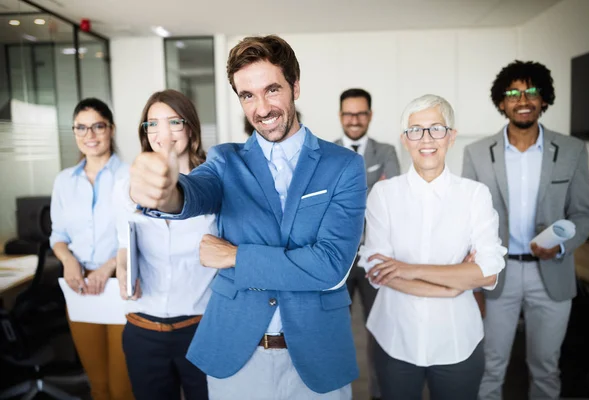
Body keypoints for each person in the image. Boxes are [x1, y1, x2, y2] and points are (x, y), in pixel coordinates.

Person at [128, 35, 367, 399]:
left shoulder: (344, 166)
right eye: (248, 95)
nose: (263, 108)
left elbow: (331, 265)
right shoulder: (226, 161)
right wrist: (165, 193)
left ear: (295, 87)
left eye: (272, 90)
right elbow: (192, 194)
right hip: (236, 353)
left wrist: (235, 256)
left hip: (318, 352)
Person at [462, 60, 589, 400]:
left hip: (551, 273)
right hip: (497, 274)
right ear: (501, 102)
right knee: (490, 366)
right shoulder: (476, 153)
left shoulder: (571, 150)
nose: (523, 99)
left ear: (544, 99)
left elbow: (584, 214)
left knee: (546, 367)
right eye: (513, 93)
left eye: (531, 91)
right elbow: (466, 218)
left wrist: (562, 247)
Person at [360, 94, 506, 400]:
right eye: (416, 130)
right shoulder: (383, 195)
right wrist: (453, 285)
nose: (426, 138)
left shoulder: (475, 195)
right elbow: (377, 270)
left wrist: (407, 269)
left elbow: (489, 273)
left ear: (451, 137)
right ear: (405, 140)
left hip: (458, 342)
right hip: (395, 339)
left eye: (436, 128)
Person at [114, 90, 215, 400]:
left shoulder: (213, 185)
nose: (162, 133)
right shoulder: (127, 187)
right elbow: (124, 246)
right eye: (152, 124)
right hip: (143, 330)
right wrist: (122, 272)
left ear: (191, 130)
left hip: (201, 330)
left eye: (173, 122)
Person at [49, 98, 134, 400]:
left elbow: (136, 235)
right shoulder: (63, 182)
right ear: (74, 132)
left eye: (98, 126)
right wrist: (67, 259)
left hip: (119, 286)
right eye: (81, 128)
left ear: (110, 129)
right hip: (80, 287)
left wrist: (107, 268)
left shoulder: (130, 176)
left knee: (123, 388)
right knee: (98, 387)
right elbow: (57, 235)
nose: (90, 135)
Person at [334, 87, 400, 400]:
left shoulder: (386, 152)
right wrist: (375, 191)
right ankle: (336, 392)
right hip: (336, 260)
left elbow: (396, 201)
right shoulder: (326, 152)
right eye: (349, 113)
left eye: (361, 113)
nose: (355, 119)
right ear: (340, 116)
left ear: (370, 115)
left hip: (376, 257)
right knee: (334, 333)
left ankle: (380, 394)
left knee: (380, 333)